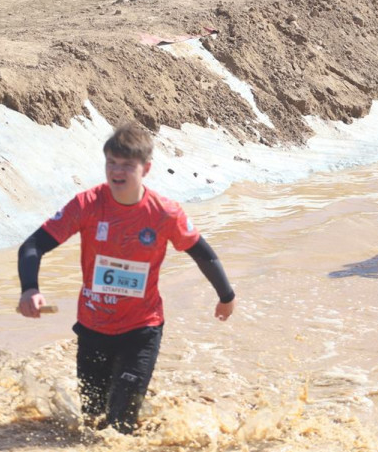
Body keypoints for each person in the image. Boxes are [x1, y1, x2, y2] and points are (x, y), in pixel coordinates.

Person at [16, 123, 236, 434]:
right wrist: (30, 289)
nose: (117, 172)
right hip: (93, 328)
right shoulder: (87, 204)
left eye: (127, 165)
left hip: (141, 330)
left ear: (146, 168)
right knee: (93, 422)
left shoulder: (164, 213)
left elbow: (203, 254)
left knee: (120, 426)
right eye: (111, 163)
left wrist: (226, 296)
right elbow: (32, 246)